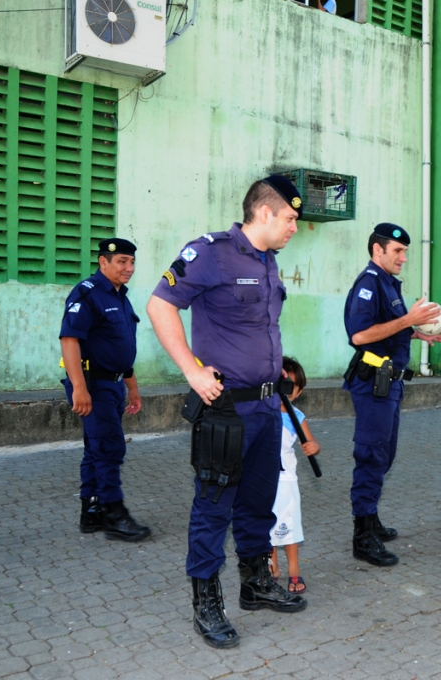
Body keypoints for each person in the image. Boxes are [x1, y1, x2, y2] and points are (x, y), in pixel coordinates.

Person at [146, 175, 307, 650]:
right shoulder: (211, 252)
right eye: (291, 218)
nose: (294, 227)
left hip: (266, 407)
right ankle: (206, 602)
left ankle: (256, 583)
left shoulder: (270, 262)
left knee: (258, 502)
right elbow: (160, 305)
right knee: (214, 508)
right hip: (226, 410)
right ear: (264, 212)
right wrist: (191, 370)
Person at [342, 223, 441, 567]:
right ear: (378, 250)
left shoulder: (387, 284)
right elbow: (359, 335)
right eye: (397, 251)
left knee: (385, 456)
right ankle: (362, 536)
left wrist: (416, 333)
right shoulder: (369, 284)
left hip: (389, 383)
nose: (404, 257)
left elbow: (384, 330)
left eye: (405, 251)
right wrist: (407, 321)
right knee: (371, 457)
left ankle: (370, 518)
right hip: (374, 383)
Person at [59, 237, 150, 542]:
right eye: (122, 261)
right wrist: (79, 389)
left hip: (112, 385)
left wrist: (133, 388)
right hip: (93, 385)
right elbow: (69, 339)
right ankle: (114, 514)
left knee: (95, 449)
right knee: (110, 448)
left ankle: (91, 512)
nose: (129, 268)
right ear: (103, 262)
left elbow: (120, 348)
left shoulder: (121, 297)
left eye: (132, 262)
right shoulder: (88, 294)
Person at [268, 357, 320, 594]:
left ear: (298, 392)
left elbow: (311, 443)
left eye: (292, 389)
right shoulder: (262, 411)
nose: (285, 393)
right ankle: (272, 568)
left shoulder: (296, 417)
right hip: (263, 481)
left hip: (286, 481)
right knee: (266, 527)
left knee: (288, 529)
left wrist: (313, 447)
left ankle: (294, 570)